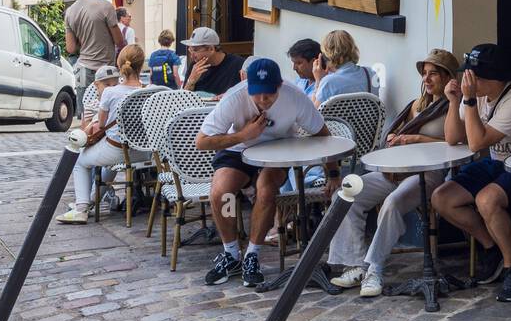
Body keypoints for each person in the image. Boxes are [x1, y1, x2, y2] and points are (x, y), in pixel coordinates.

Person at [194, 58, 335, 288]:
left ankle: (252, 254)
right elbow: (201, 142)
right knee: (223, 194)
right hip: (237, 150)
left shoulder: (294, 97)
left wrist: (334, 172)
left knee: (266, 192)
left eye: (268, 94)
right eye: (257, 94)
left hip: (277, 152)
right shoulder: (234, 97)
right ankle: (231, 253)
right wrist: (242, 135)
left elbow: (323, 135)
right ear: (247, 86)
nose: (262, 100)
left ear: (279, 85)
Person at [329, 49, 460, 297]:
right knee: (345, 193)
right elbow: (398, 132)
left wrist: (416, 138)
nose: (427, 79)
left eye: (434, 74)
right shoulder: (417, 105)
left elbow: (453, 142)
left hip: (428, 175)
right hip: (396, 171)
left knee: (392, 203)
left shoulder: (455, 106)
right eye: (424, 74)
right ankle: (356, 265)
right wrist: (394, 138)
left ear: (448, 76)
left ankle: (374, 269)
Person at [430, 43, 511, 304]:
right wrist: (454, 101)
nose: (466, 79)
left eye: (473, 75)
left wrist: (470, 100)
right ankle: (492, 248)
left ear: (492, 78)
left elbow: (476, 143)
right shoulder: (478, 96)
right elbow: (453, 138)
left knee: (487, 200)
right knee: (442, 198)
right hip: (499, 164)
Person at [58, 48, 146, 225]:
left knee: (80, 162)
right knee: (109, 165)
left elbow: (103, 125)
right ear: (142, 65)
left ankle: (81, 209)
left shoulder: (110, 93)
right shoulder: (152, 90)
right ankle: (92, 201)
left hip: (118, 150)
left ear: (120, 66)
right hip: (146, 153)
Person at [63, 0, 125, 91]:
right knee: (106, 107)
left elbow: (70, 48)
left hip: (81, 69)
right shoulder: (106, 7)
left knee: (84, 109)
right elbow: (119, 41)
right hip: (105, 71)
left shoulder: (70, 11)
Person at [311, 30, 377, 105]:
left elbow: (311, 114)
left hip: (335, 117)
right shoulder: (371, 73)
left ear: (327, 54)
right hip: (367, 116)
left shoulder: (329, 82)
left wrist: (318, 81)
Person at [181, 27, 244, 97]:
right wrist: (191, 81)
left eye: (195, 50)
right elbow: (183, 99)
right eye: (190, 50)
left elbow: (249, 95)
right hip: (199, 107)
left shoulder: (238, 64)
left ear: (211, 49)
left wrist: (228, 96)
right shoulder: (195, 65)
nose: (191, 55)